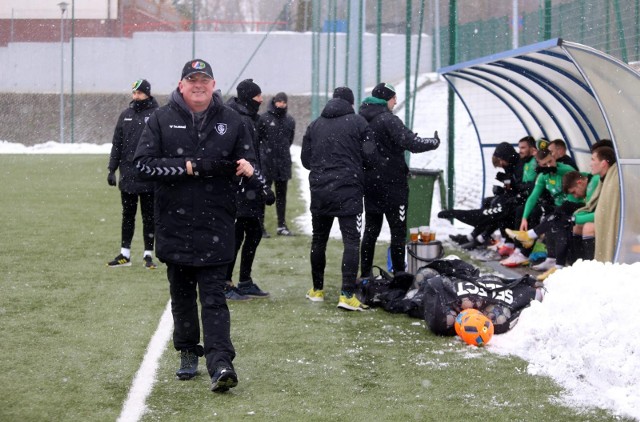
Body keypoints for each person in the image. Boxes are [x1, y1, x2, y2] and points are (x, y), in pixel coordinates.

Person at [134, 58, 256, 393]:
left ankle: (221, 364)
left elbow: (250, 164)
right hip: (174, 225)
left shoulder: (232, 121)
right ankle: (188, 351)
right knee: (182, 296)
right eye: (192, 80)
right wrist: (186, 166)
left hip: (217, 224)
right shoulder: (160, 119)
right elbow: (142, 165)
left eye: (204, 80)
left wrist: (249, 170)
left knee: (214, 299)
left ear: (213, 85)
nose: (198, 85)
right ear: (181, 85)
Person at [301, 87, 378, 311]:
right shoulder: (359, 123)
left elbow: (306, 160)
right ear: (351, 103)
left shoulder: (315, 125)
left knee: (319, 240)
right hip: (349, 190)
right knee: (351, 241)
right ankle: (346, 295)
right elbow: (370, 156)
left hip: (320, 190)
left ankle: (317, 290)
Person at [358, 82, 440, 278]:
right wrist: (433, 142)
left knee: (371, 230)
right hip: (393, 185)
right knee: (398, 231)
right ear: (387, 98)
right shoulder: (388, 120)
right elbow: (410, 142)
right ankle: (400, 275)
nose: (395, 102)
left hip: (370, 184)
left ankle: (366, 274)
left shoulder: (361, 120)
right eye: (394, 98)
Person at [225, 79, 275, 300]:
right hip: (241, 189)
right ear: (247, 97)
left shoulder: (249, 119)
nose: (261, 100)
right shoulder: (241, 120)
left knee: (253, 233)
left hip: (249, 189)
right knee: (235, 237)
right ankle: (225, 283)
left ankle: (244, 280)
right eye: (257, 96)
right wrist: (262, 186)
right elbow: (247, 160)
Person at [106, 79, 159, 269]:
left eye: (139, 93)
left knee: (149, 216)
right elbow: (117, 144)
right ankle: (125, 254)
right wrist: (112, 169)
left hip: (148, 175)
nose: (136, 96)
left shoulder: (156, 115)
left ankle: (148, 255)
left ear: (147, 94)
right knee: (127, 215)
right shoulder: (125, 115)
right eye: (134, 93)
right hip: (127, 174)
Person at [504, 147, 583, 267]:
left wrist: (555, 170)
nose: (549, 165)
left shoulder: (566, 170)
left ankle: (532, 241)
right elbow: (533, 197)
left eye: (550, 161)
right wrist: (525, 218)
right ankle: (550, 258)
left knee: (556, 217)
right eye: (544, 164)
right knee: (542, 213)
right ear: (539, 164)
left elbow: (575, 183)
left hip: (575, 206)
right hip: (559, 207)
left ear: (553, 157)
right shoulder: (543, 176)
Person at [258, 92, 296, 236]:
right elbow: (259, 139)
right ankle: (260, 226)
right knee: (263, 194)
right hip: (266, 164)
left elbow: (289, 140)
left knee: (282, 196)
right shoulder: (264, 119)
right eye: (279, 101)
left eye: (284, 102)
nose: (281, 104)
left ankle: (282, 226)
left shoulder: (290, 120)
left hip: (283, 164)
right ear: (274, 102)